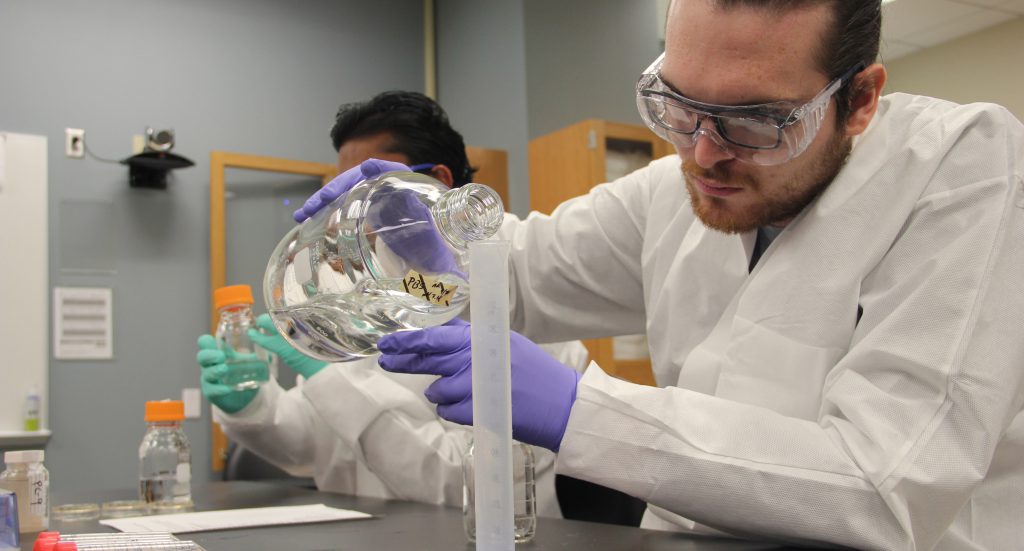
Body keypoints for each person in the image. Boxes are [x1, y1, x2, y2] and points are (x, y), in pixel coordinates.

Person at [295, 2, 1024, 549]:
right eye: (678, 105)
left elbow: (884, 484)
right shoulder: (670, 191)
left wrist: (582, 409)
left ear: (858, 100)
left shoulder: (963, 168)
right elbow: (497, 290)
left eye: (756, 120)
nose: (704, 155)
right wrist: (422, 259)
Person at [196, 91, 591, 517]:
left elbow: (465, 483)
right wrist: (254, 405)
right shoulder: (365, 296)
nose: (345, 213)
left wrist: (332, 381)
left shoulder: (521, 316)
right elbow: (313, 447)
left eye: (359, 191)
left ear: (435, 182)